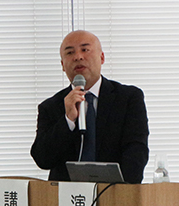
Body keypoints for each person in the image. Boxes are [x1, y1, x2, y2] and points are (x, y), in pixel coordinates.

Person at [31, 30, 149, 183]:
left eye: (85, 49)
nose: (78, 57)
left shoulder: (128, 98)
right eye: (70, 52)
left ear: (102, 57)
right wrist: (68, 120)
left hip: (115, 192)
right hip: (67, 195)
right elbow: (42, 159)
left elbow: (136, 151)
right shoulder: (51, 106)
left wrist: (122, 190)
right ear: (62, 65)